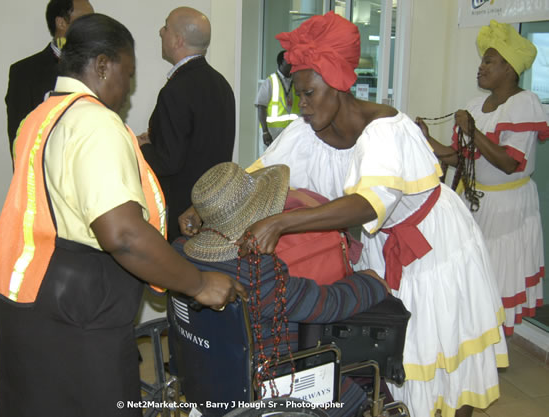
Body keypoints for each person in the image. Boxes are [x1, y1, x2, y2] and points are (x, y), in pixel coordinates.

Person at [180, 12, 508, 417]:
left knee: (438, 345)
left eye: (310, 93)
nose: (302, 104)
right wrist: (201, 206)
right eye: (298, 93)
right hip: (382, 243)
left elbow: (369, 204)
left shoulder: (387, 129)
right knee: (395, 350)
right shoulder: (306, 132)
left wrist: (281, 221)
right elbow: (256, 177)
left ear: (338, 84)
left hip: (434, 246)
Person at [0, 14, 245, 417]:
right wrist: (199, 283)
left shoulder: (40, 116)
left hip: (29, 296)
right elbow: (121, 234)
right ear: (103, 65)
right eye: (128, 73)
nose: (128, 89)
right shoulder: (95, 122)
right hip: (80, 304)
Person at [174, 161, 390, 417]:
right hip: (267, 381)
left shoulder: (179, 253)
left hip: (208, 371)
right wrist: (371, 282)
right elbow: (325, 304)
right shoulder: (255, 272)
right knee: (361, 377)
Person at [417, 19, 548, 337]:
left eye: (489, 60)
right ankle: (475, 340)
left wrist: (472, 132)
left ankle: (496, 345)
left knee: (499, 274)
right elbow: (456, 157)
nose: (481, 66)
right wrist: (425, 139)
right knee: (472, 271)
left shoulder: (524, 103)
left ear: (509, 67)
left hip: (507, 209)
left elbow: (509, 163)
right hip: (475, 203)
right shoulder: (476, 105)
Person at [138, 6, 236, 242]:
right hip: (212, 211)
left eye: (166, 27)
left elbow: (168, 162)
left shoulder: (175, 91)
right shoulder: (222, 85)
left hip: (180, 216)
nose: (161, 32)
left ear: (178, 40)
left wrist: (143, 145)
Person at [5, 0, 94, 157]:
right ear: (61, 23)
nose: (94, 26)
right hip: (45, 174)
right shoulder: (24, 73)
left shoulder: (99, 66)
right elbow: (20, 141)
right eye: (85, 19)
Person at [256, 50, 300, 146]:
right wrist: (265, 132)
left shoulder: (296, 82)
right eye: (288, 61)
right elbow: (261, 107)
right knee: (270, 161)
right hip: (272, 133)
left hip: (292, 134)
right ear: (281, 63)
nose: (291, 64)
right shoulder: (270, 82)